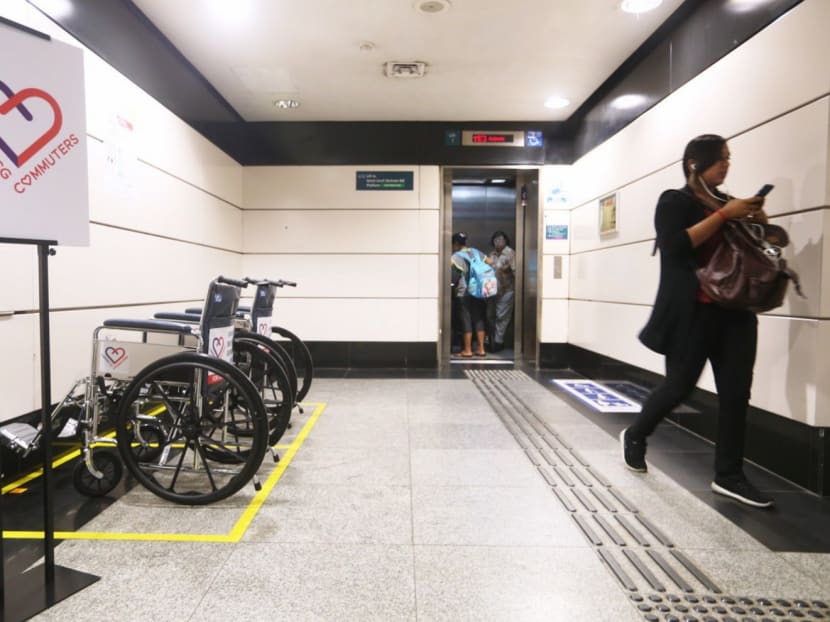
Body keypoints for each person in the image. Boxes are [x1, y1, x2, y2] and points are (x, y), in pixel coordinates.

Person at [621, 133, 774, 508]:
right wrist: (725, 216)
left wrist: (756, 219)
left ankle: (729, 476)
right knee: (679, 388)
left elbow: (757, 246)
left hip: (736, 312)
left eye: (728, 158)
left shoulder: (729, 203)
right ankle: (637, 434)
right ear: (694, 163)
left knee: (737, 394)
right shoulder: (675, 201)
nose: (726, 164)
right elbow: (674, 245)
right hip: (692, 313)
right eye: (720, 158)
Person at [451, 232, 492, 358]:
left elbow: (452, 274)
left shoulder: (456, 256)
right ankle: (481, 349)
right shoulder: (476, 252)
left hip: (464, 292)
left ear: (456, 244)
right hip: (479, 291)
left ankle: (467, 350)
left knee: (466, 320)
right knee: (479, 319)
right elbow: (490, 262)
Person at [487, 230, 516, 352]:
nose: (498, 242)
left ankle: (498, 342)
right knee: (490, 316)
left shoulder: (510, 253)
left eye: (501, 239)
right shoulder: (492, 254)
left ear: (506, 241)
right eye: (495, 240)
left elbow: (515, 272)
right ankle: (492, 341)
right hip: (491, 291)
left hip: (506, 291)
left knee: (502, 317)